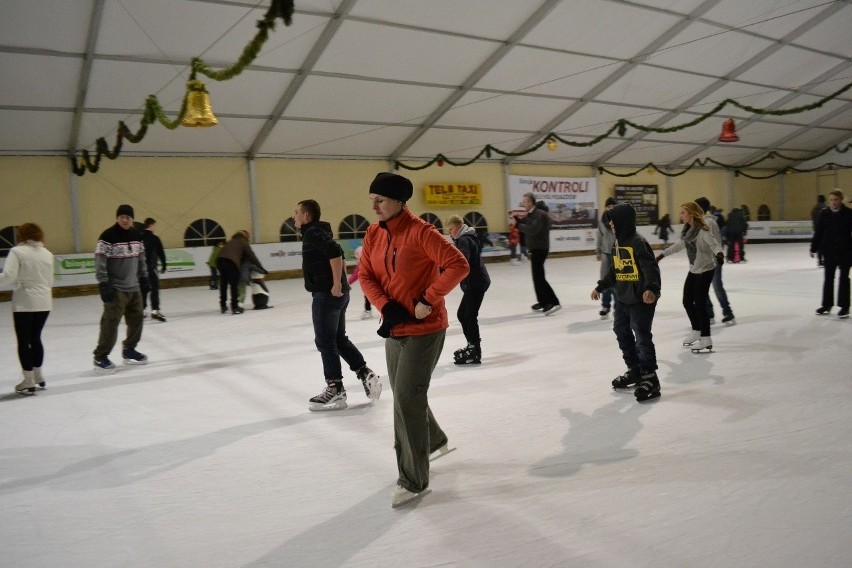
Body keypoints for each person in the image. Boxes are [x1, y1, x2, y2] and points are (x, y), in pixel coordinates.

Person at [359, 172, 469, 508]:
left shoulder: (422, 233)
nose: (374, 206)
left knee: (406, 396)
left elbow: (458, 265)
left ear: (398, 201)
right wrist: (385, 306)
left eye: (381, 199)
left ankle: (413, 479)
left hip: (425, 329)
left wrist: (428, 299)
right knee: (407, 394)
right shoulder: (373, 234)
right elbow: (365, 273)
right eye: (372, 199)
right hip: (395, 327)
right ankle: (434, 440)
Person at [294, 199, 381, 411]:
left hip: (327, 294)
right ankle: (365, 372)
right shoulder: (316, 232)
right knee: (338, 339)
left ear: (306, 216)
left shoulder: (313, 232)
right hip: (335, 294)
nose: (294, 216)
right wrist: (341, 282)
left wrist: (335, 283)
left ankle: (335, 388)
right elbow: (338, 254)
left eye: (297, 212)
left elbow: (335, 252)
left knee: (325, 342)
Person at [591, 203, 662, 402]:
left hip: (641, 298)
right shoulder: (617, 243)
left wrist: (652, 289)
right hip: (623, 297)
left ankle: (650, 377)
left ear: (622, 221)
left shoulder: (638, 242)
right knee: (620, 330)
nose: (611, 224)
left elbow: (651, 268)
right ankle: (635, 369)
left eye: (613, 220)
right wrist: (601, 286)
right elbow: (615, 271)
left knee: (641, 335)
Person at [656, 201, 724, 353]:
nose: (680, 216)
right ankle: (697, 330)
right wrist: (661, 256)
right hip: (694, 269)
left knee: (699, 302)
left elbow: (714, 245)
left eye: (682, 213)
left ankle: (706, 338)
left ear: (691, 214)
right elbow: (678, 245)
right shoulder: (687, 231)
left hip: (706, 269)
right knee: (687, 301)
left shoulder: (703, 230)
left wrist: (719, 254)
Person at [93, 204, 149, 373]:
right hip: (116, 287)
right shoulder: (108, 236)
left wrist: (144, 277)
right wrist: (103, 283)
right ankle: (100, 357)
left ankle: (129, 349)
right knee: (111, 322)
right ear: (117, 218)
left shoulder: (137, 235)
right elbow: (100, 261)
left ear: (132, 219)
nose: (125, 220)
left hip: (134, 286)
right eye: (122, 217)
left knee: (137, 318)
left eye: (128, 217)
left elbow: (141, 258)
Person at [0, 223, 54, 395]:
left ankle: (28, 380)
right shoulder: (47, 254)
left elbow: (8, 275)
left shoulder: (17, 252)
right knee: (36, 337)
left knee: (24, 341)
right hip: (44, 302)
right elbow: (50, 279)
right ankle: (38, 376)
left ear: (22, 235)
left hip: (25, 302)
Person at [447, 215, 491, 365]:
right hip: (474, 282)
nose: (450, 233)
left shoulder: (464, 240)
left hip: (476, 283)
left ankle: (475, 349)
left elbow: (462, 261)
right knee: (462, 314)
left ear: (458, 227)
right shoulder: (465, 238)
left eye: (451, 229)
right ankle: (472, 345)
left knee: (469, 316)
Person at [510, 192, 561, 315]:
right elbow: (524, 222)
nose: (523, 203)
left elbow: (532, 229)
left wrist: (518, 224)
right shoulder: (531, 214)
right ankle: (543, 301)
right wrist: (516, 218)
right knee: (537, 277)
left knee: (539, 277)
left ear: (531, 202)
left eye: (525, 201)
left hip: (540, 248)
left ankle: (553, 302)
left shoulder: (540, 214)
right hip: (535, 248)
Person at [810, 189, 852, 319]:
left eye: (836, 200)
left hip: (845, 251)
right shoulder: (825, 213)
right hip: (829, 251)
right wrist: (814, 248)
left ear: (841, 200)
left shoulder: (849, 214)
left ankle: (844, 307)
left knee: (844, 278)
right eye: (831, 200)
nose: (833, 202)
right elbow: (819, 232)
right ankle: (827, 305)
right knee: (828, 278)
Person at [695, 197, 736, 326]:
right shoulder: (701, 222)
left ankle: (728, 313)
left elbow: (714, 242)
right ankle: (709, 314)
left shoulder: (709, 223)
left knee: (717, 286)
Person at [216, 230, 264, 314]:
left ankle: (223, 305)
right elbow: (251, 255)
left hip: (220, 261)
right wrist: (260, 266)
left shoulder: (231, 241)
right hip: (231, 262)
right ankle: (235, 307)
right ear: (245, 236)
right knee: (234, 284)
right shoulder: (243, 241)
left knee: (224, 283)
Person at [140, 217, 167, 322]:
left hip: (140, 270)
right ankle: (155, 310)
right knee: (154, 289)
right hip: (151, 268)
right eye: (154, 225)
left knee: (143, 290)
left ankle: (141, 310)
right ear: (151, 225)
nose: (155, 228)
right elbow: (161, 253)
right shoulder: (155, 238)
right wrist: (164, 265)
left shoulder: (138, 238)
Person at [595, 197, 617, 319]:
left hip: (618, 253)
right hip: (605, 253)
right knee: (604, 279)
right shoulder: (601, 221)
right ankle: (605, 306)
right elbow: (599, 236)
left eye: (612, 207)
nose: (610, 209)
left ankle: (618, 306)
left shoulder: (620, 219)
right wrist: (598, 250)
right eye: (608, 206)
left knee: (617, 281)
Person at [346, 246, 373, 319]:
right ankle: (368, 310)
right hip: (372, 283)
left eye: (357, 257)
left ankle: (368, 310)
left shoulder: (362, 264)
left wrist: (346, 284)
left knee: (369, 296)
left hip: (370, 284)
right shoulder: (372, 261)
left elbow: (355, 276)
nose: (357, 260)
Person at [811, 195, 828, 267]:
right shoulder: (826, 209)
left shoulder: (814, 209)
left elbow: (813, 218)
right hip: (825, 229)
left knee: (819, 244)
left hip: (817, 228)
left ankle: (820, 260)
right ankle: (825, 259)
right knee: (826, 244)